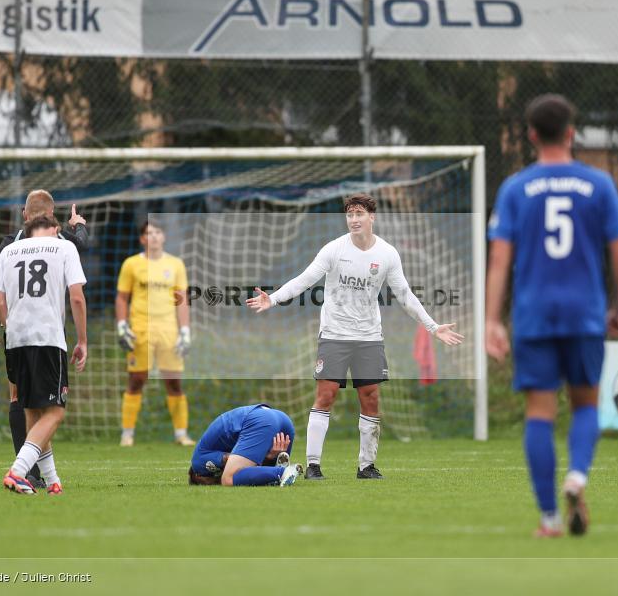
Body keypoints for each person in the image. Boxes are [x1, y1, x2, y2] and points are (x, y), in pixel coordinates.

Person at [485, 94, 618, 537]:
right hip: (585, 313)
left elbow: (499, 259)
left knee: (539, 413)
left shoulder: (516, 188)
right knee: (586, 403)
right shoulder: (599, 184)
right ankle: (578, 476)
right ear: (572, 132)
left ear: (532, 134)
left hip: (533, 315)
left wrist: (493, 319)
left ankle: (549, 518)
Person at [246, 194, 463, 480]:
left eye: (359, 213)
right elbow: (304, 279)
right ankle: (313, 465)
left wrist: (433, 327)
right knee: (326, 395)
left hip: (369, 337)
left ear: (372, 217)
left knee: (371, 398)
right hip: (335, 334)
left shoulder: (387, 254)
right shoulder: (334, 250)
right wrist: (272, 300)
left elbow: (405, 296)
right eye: (350, 214)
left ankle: (366, 466)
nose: (354, 219)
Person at [0, 190, 89, 488]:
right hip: (48, 337)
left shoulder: (8, 249)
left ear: (25, 217)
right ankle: (18, 470)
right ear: (54, 220)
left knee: (29, 408)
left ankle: (49, 480)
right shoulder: (63, 246)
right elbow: (77, 298)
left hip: (15, 338)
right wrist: (82, 340)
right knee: (54, 411)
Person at [116, 220, 194, 447]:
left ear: (164, 237)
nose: (154, 237)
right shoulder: (131, 264)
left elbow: (182, 300)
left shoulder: (176, 264)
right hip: (141, 328)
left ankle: (181, 434)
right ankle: (127, 434)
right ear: (142, 239)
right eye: (149, 233)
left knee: (174, 383)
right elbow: (122, 297)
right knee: (137, 380)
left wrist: (185, 331)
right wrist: (122, 325)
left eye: (158, 232)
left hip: (169, 330)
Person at [188, 404, 301, 487]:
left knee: (227, 479)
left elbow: (229, 458)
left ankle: (283, 472)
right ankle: (274, 468)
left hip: (260, 422)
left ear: (198, 477)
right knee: (252, 475)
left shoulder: (198, 464)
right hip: (282, 419)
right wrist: (267, 457)